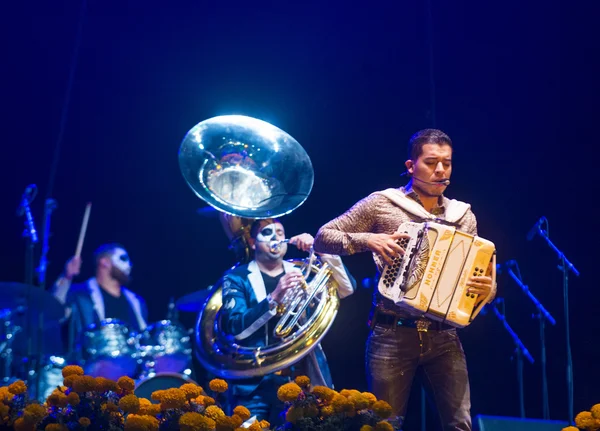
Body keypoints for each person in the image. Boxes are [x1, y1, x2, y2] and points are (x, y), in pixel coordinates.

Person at [313, 129, 496, 431]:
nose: (440, 170)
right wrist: (370, 239)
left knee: (460, 423)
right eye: (432, 162)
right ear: (411, 166)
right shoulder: (383, 203)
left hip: (444, 336)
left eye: (447, 164)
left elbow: (481, 275)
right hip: (392, 334)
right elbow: (323, 237)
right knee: (385, 424)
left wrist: (487, 290)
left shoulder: (462, 215)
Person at [218, 218, 356, 425]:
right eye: (267, 233)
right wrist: (275, 296)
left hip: (300, 378)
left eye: (280, 233)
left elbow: (347, 288)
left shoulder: (301, 271)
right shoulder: (237, 278)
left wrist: (320, 249)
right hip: (255, 383)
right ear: (253, 242)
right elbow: (236, 328)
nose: (276, 237)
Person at [52, 243, 148, 379]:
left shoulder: (136, 301)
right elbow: (55, 312)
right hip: (90, 378)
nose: (129, 265)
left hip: (132, 379)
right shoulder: (80, 294)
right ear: (104, 262)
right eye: (123, 258)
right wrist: (66, 277)